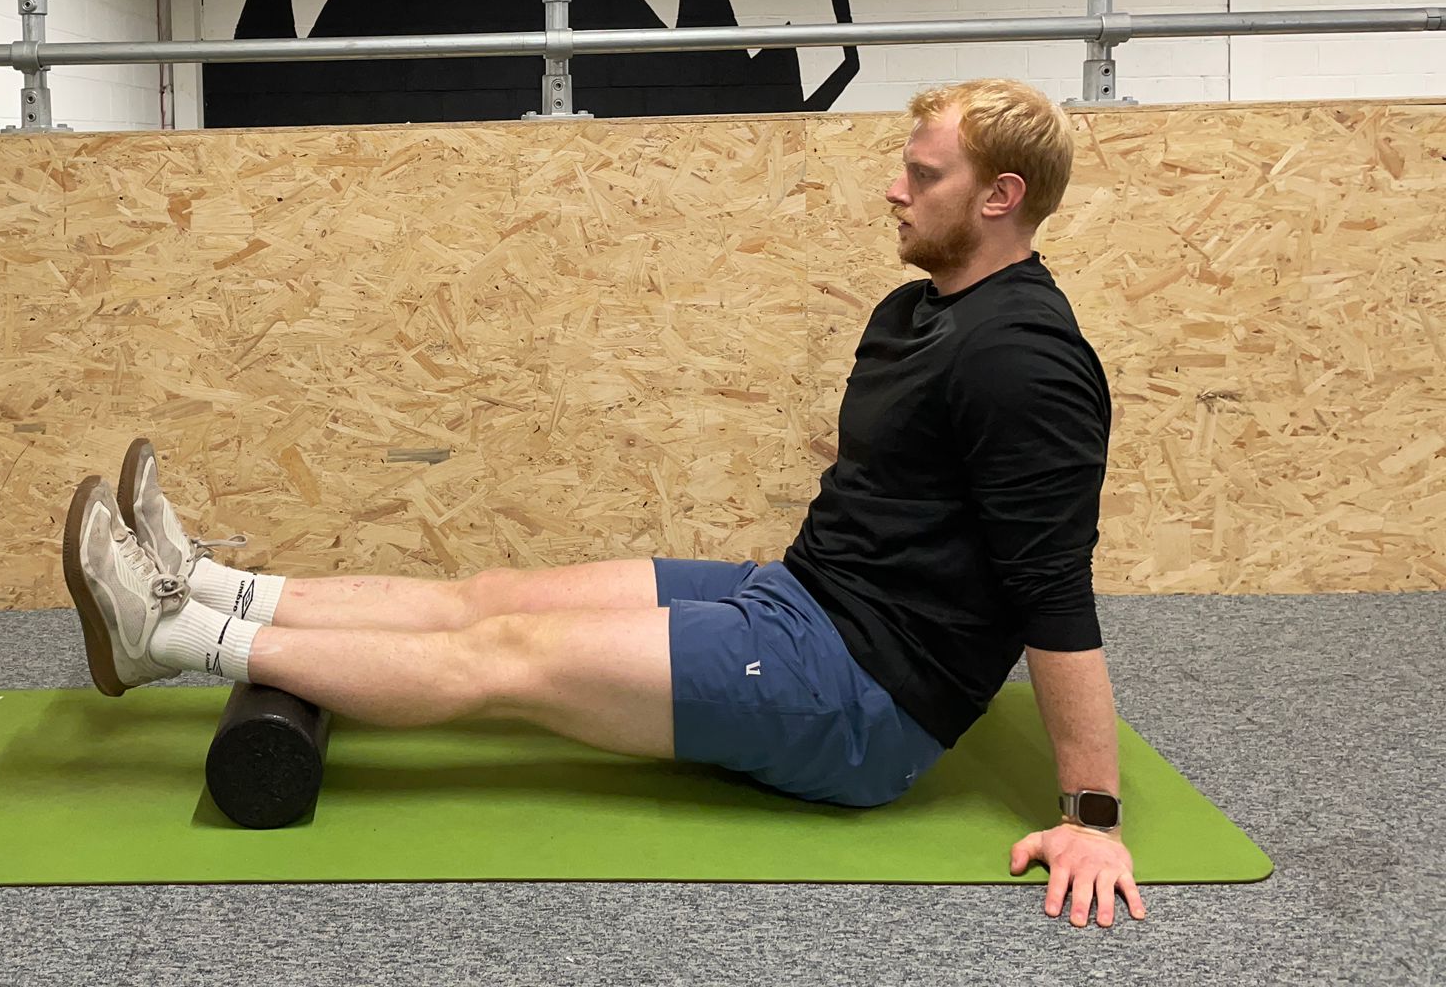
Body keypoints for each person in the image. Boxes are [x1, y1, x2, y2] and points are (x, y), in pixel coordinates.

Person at [61, 77, 1144, 930]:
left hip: (862, 703)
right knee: (486, 596)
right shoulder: (916, 312)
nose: (892, 189)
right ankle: (206, 584)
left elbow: (1051, 593)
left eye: (922, 173)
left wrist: (1088, 817)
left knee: (512, 655)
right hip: (805, 603)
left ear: (999, 197)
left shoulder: (1024, 363)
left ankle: (170, 637)